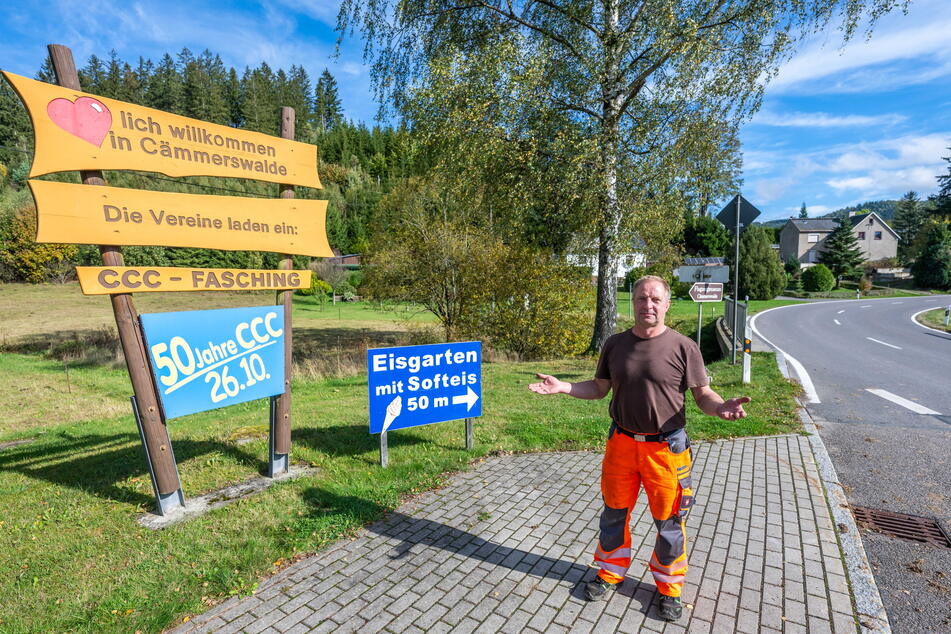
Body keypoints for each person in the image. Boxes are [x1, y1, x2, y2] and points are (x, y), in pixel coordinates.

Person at [529, 275, 750, 622]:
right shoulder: (615, 344)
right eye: (641, 299)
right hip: (621, 444)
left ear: (667, 304)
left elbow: (703, 395)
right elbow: (600, 387)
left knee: (669, 523)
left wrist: (721, 407)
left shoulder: (683, 347)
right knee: (614, 514)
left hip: (666, 450)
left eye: (655, 299)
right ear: (633, 303)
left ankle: (668, 587)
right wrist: (564, 387)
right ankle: (609, 572)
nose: (648, 305)